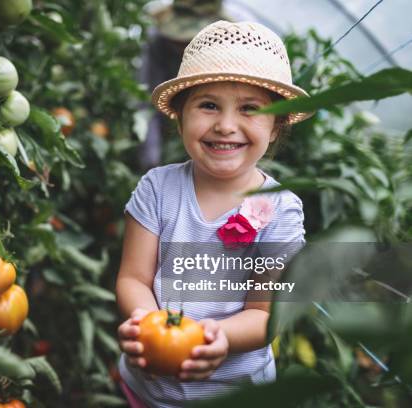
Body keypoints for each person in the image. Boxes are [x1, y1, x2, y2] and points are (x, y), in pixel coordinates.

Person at [116, 20, 312, 407]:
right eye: (208, 105)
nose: (225, 126)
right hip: (151, 389)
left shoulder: (282, 210)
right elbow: (133, 278)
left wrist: (219, 338)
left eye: (250, 109)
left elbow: (262, 314)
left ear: (276, 127)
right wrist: (147, 326)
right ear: (180, 114)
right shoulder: (157, 188)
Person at [138, 0, 231, 170]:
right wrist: (151, 154)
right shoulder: (158, 42)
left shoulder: (230, 43)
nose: (181, 45)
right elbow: (148, 99)